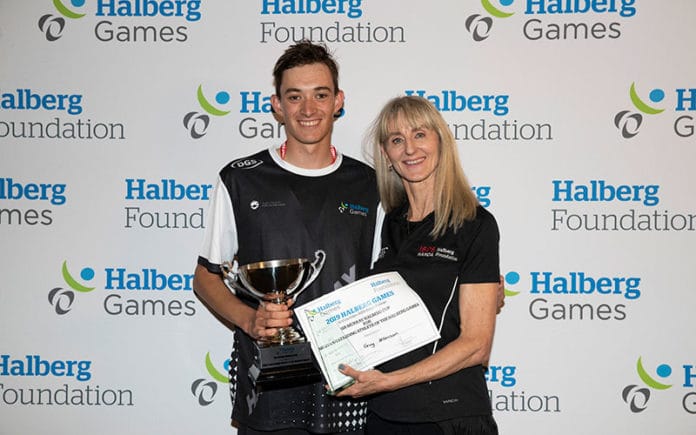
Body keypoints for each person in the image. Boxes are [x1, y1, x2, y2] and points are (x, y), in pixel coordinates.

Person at [193, 40, 381, 434]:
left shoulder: (370, 185)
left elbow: (395, 277)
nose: (308, 110)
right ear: (277, 105)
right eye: (294, 97)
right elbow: (206, 278)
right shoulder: (241, 179)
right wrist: (250, 319)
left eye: (320, 95)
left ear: (338, 101)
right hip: (266, 384)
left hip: (346, 384)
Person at [336, 95, 501, 435]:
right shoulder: (391, 223)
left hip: (446, 415)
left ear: (441, 141)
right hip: (385, 413)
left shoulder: (475, 225)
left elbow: (476, 345)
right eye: (397, 140)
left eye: (420, 135)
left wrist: (389, 381)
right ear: (387, 154)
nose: (410, 149)